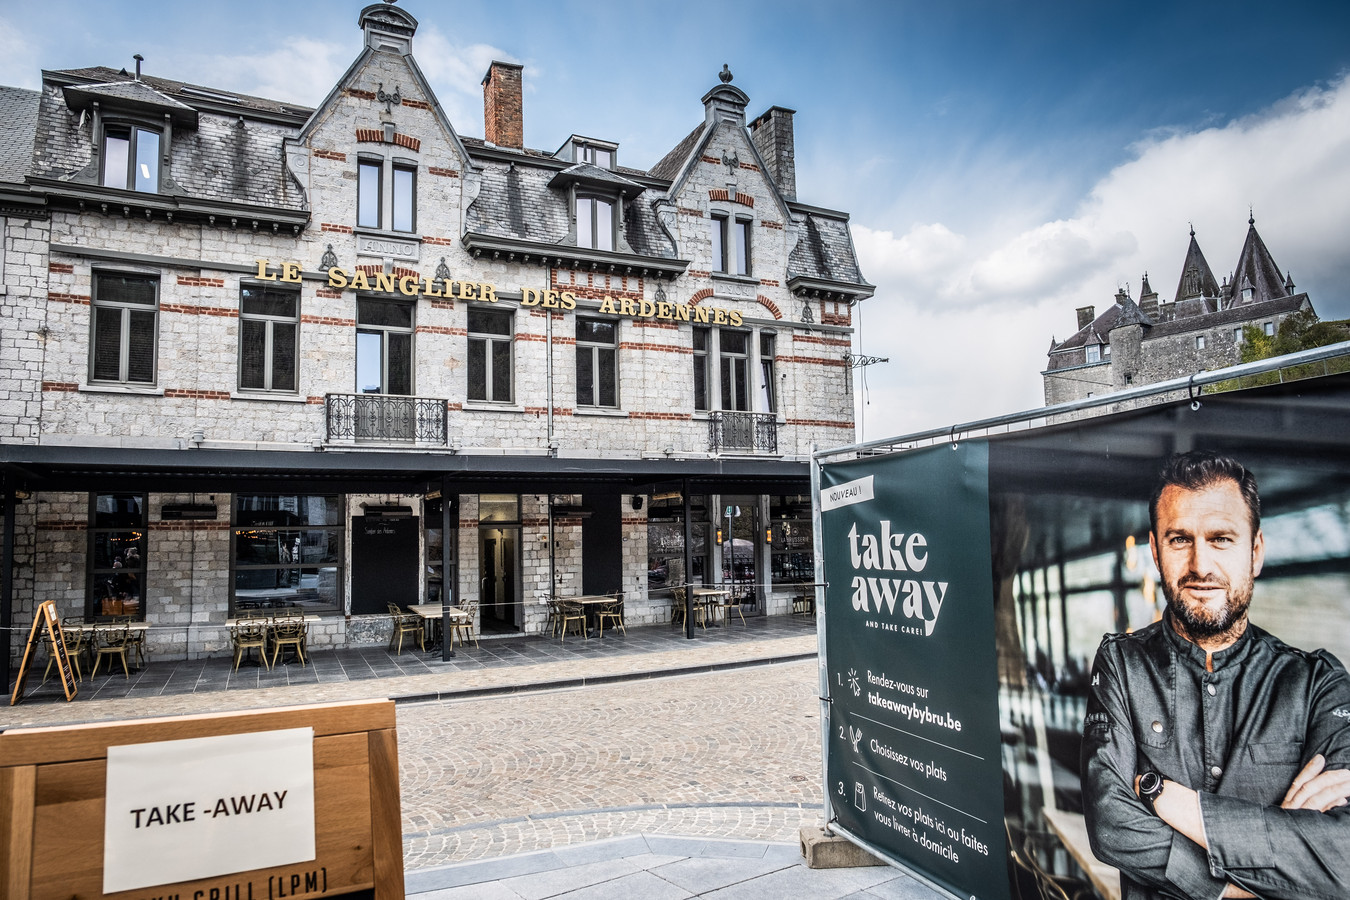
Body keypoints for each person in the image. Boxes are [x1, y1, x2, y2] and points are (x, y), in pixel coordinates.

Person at [1081, 450, 1350, 899]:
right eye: (1179, 539)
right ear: (1155, 550)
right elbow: (1111, 825)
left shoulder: (1316, 685)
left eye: (1222, 539)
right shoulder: (1122, 666)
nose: (1200, 566)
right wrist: (1240, 886)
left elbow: (1342, 857)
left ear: (1256, 551)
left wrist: (1163, 797)